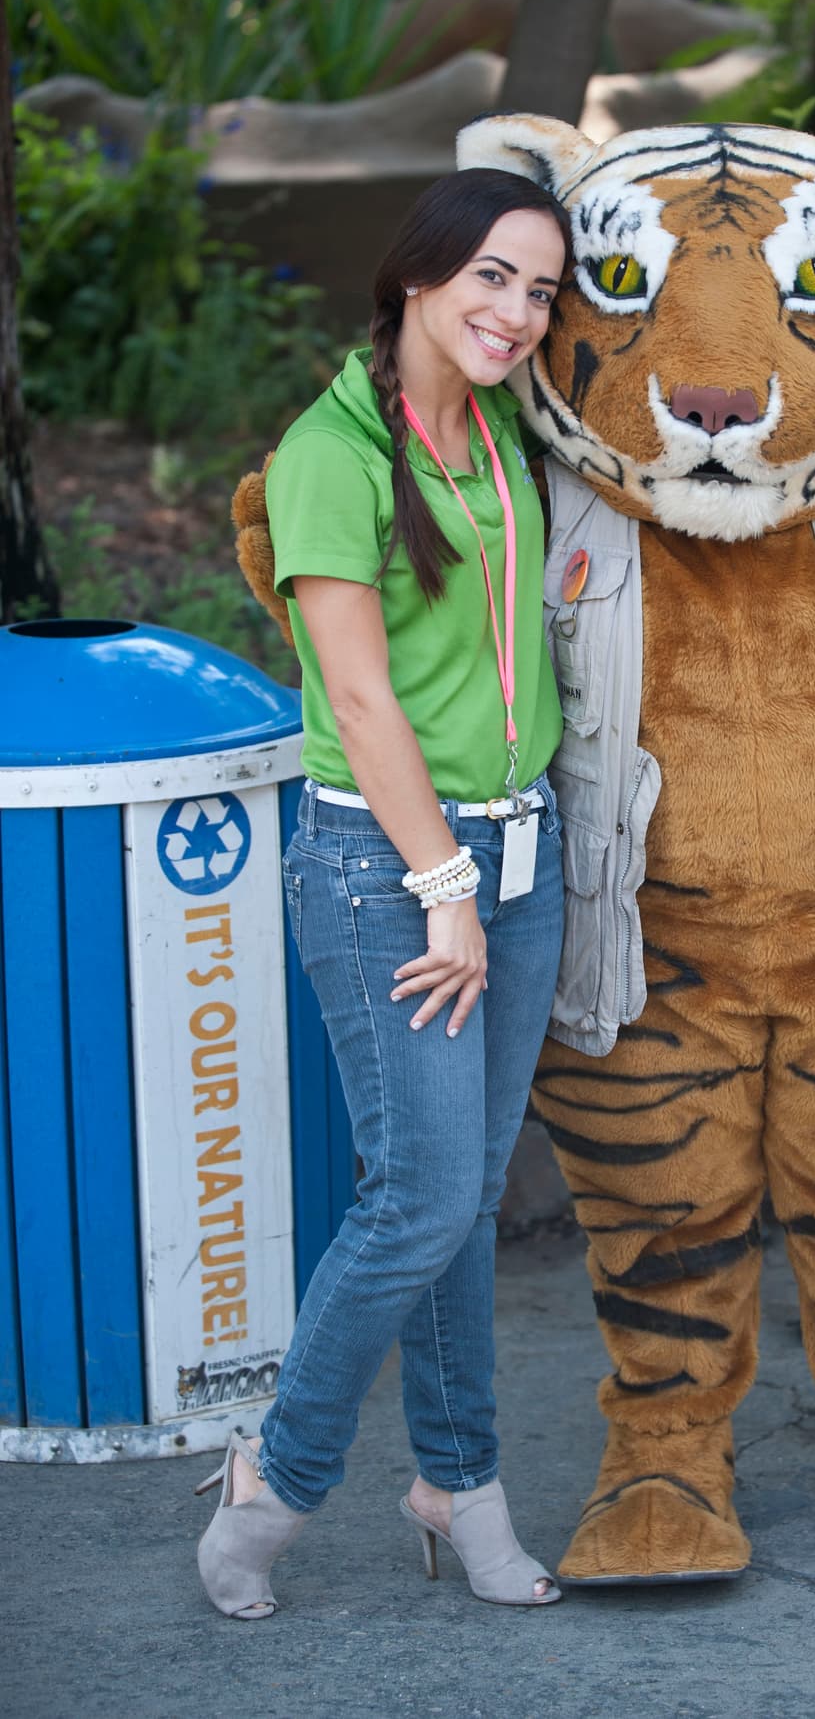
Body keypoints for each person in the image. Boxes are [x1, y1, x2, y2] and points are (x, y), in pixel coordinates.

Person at [196, 169, 572, 1619]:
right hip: (390, 868)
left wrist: (507, 863)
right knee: (416, 1200)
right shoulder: (329, 452)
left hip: (520, 854)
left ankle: (457, 1479)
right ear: (418, 276)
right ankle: (277, 1482)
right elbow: (356, 696)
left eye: (539, 290)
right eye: (491, 277)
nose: (516, 312)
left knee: (468, 1199)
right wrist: (444, 885)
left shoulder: (500, 436)